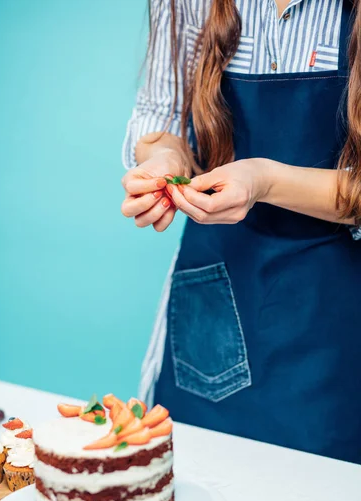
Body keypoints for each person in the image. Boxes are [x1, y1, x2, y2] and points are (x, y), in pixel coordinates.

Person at [121, 0, 361, 464]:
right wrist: (166, 163)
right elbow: (162, 121)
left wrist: (266, 181)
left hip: (338, 318)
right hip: (217, 296)